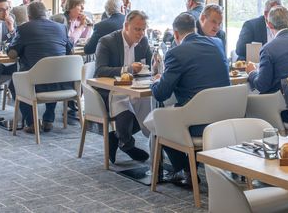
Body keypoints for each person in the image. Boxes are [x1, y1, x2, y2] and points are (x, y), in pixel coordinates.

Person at [150, 12, 229, 185]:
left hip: (198, 123)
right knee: (173, 112)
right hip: (225, 115)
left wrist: (155, 80)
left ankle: (185, 169)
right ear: (195, 29)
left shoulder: (176, 53)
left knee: (158, 119)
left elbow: (161, 93)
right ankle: (189, 169)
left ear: (175, 34)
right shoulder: (217, 43)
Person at [93, 10, 152, 163]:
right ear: (126, 26)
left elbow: (150, 66)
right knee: (124, 105)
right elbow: (100, 70)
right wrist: (127, 69)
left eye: (143, 29)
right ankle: (126, 144)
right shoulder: (107, 41)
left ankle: (116, 137)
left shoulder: (143, 42)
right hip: (110, 89)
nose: (140, 33)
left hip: (135, 88)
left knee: (150, 106)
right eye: (137, 29)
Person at [9, 2, 73, 134]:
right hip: (61, 83)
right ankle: (48, 118)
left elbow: (12, 54)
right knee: (52, 72)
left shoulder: (24, 29)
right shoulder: (61, 28)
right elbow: (70, 51)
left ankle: (32, 122)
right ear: (46, 14)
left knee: (14, 84)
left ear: (29, 16)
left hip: (35, 84)